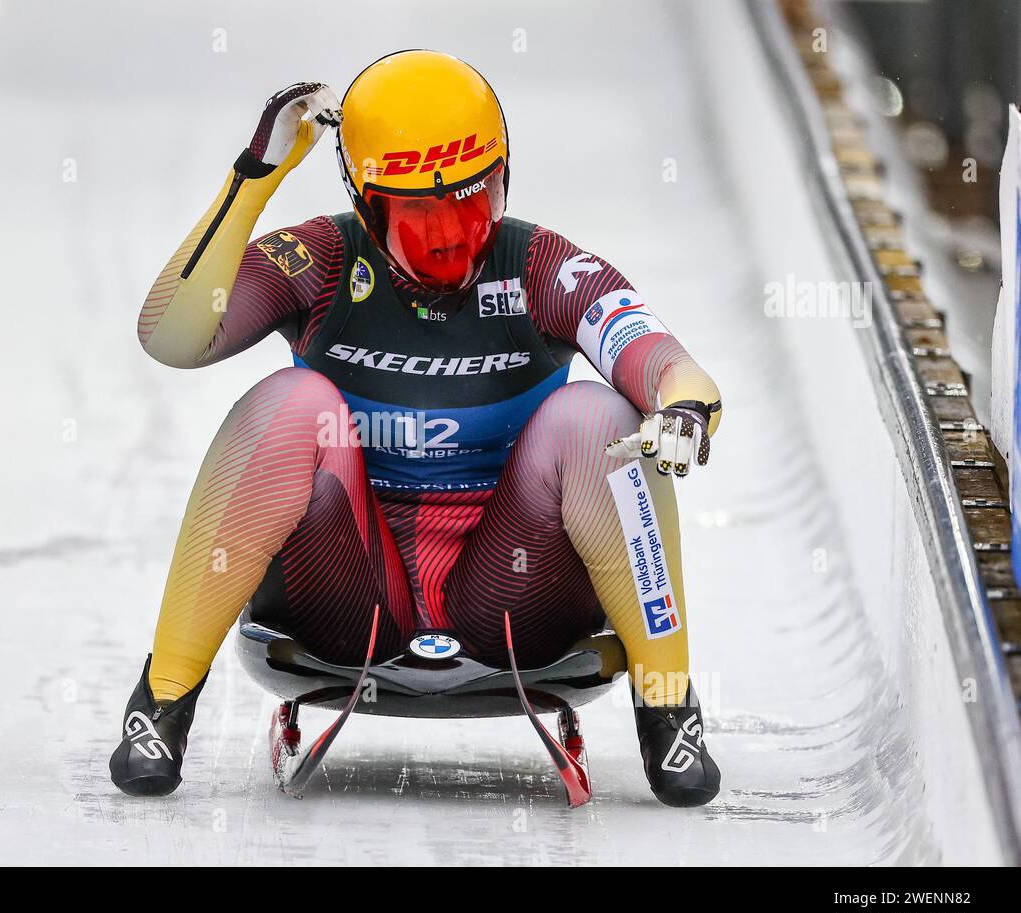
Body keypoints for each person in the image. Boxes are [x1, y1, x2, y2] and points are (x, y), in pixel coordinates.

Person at [110, 51, 723, 807]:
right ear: (368, 207)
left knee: (596, 417)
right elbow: (172, 338)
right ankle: (163, 698)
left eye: (473, 206)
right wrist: (253, 179)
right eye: (419, 216)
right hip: (350, 590)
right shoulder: (322, 258)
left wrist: (684, 409)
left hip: (512, 595)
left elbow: (665, 361)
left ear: (504, 178)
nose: (451, 239)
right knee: (290, 401)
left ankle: (669, 705)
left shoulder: (544, 267)